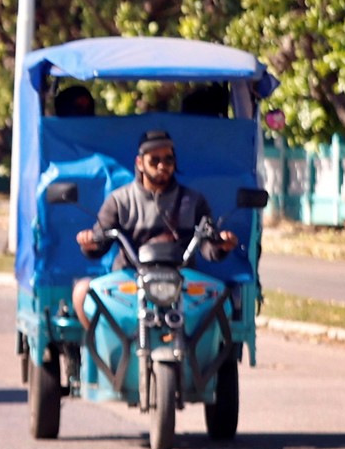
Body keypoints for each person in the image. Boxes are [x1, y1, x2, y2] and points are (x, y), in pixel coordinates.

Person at [72, 129, 238, 321]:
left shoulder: (194, 201)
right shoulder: (119, 200)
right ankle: (100, 343)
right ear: (139, 163)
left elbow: (208, 245)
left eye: (168, 160)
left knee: (222, 301)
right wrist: (90, 243)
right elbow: (100, 241)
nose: (162, 166)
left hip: (182, 284)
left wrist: (221, 245)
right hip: (130, 283)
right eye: (154, 160)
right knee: (82, 292)